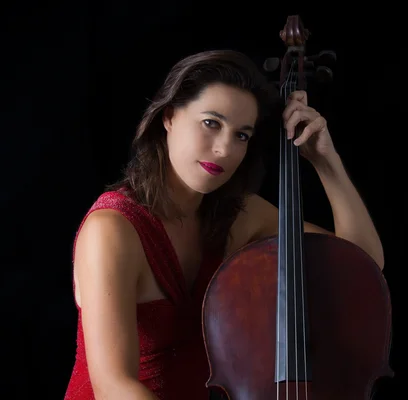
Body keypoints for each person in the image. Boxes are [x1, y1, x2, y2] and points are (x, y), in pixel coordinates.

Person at [64, 49, 385, 400]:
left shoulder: (239, 216)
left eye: (241, 135)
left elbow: (361, 266)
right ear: (169, 117)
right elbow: (114, 386)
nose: (224, 150)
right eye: (211, 123)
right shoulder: (111, 229)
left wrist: (326, 162)